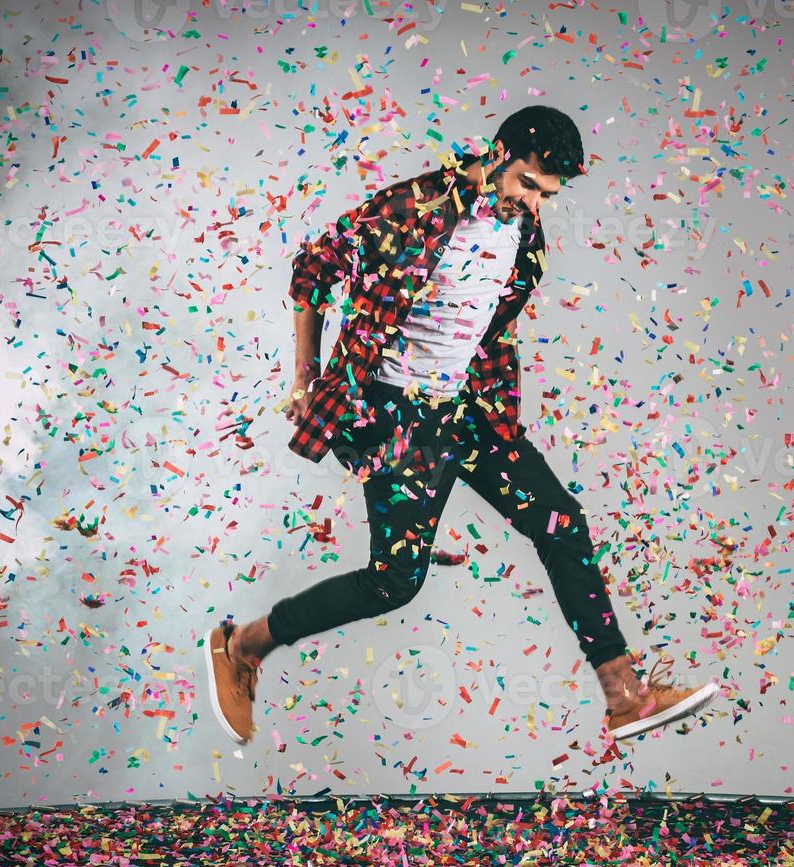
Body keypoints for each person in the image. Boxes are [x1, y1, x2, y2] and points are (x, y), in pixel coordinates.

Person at [207, 105, 718, 746]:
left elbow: (482, 322)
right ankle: (244, 646)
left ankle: (624, 698)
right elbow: (313, 266)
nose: (532, 204)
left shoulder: (523, 234)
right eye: (527, 185)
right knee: (394, 582)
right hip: (397, 417)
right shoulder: (411, 207)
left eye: (546, 196)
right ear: (499, 154)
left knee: (561, 520)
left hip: (466, 408)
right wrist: (305, 375)